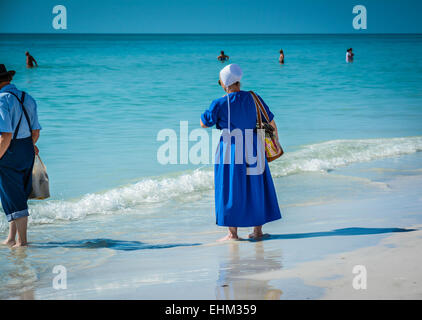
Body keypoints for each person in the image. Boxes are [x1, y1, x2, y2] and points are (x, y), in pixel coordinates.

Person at [200, 64, 281, 241]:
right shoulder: (254, 97)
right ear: (238, 81)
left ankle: (232, 233)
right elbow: (270, 120)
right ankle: (257, 231)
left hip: (231, 147)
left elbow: (204, 123)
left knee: (230, 188)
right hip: (254, 146)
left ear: (223, 83)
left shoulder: (220, 103)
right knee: (256, 186)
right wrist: (275, 141)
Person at [0, 64, 41, 248]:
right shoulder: (27, 97)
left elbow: (6, 135)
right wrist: (30, 146)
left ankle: (22, 242)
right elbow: (36, 130)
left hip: (9, 150)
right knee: (17, 194)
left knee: (12, 194)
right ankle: (11, 238)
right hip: (27, 148)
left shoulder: (1, 100)